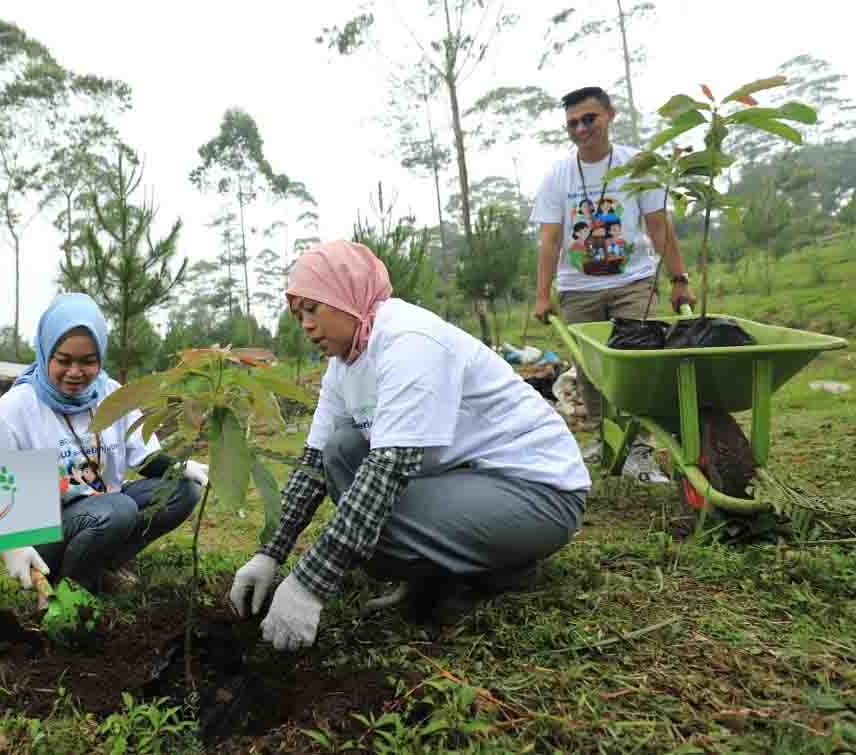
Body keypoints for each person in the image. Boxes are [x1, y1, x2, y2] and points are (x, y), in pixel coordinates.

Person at [228, 240, 591, 651]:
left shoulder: (409, 340)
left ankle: (500, 569)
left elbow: (389, 470)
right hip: (466, 481)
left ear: (346, 295)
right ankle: (441, 569)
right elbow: (313, 466)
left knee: (368, 519)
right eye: (298, 316)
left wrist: (310, 582)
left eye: (314, 308)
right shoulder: (344, 363)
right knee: (341, 449)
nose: (306, 325)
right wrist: (269, 554)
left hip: (538, 493)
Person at [0, 293, 208, 594]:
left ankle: (104, 565)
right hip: (46, 533)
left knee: (183, 491)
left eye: (88, 361)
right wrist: (12, 546)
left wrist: (180, 467)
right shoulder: (14, 411)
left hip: (106, 507)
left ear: (100, 358)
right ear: (46, 353)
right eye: (64, 360)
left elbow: (144, 459)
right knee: (119, 509)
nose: (75, 372)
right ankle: (70, 588)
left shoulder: (111, 395)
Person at [531, 86, 697, 482]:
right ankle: (606, 441)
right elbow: (551, 239)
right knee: (589, 370)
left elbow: (659, 227)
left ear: (610, 115)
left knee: (636, 363)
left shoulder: (636, 165)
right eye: (573, 122)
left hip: (633, 281)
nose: (581, 128)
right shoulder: (559, 175)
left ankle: (638, 450)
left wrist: (679, 280)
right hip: (578, 288)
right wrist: (542, 294)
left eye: (589, 118)